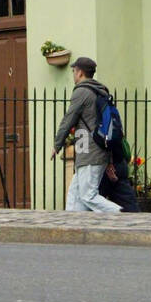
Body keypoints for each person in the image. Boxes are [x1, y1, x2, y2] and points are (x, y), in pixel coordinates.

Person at [51, 57, 120, 213]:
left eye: (74, 71)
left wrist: (57, 144)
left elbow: (69, 118)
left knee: (88, 196)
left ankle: (120, 215)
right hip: (94, 151)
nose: (73, 74)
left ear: (80, 72)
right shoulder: (100, 91)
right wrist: (109, 159)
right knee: (74, 196)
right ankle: (73, 229)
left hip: (90, 152)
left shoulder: (82, 91)